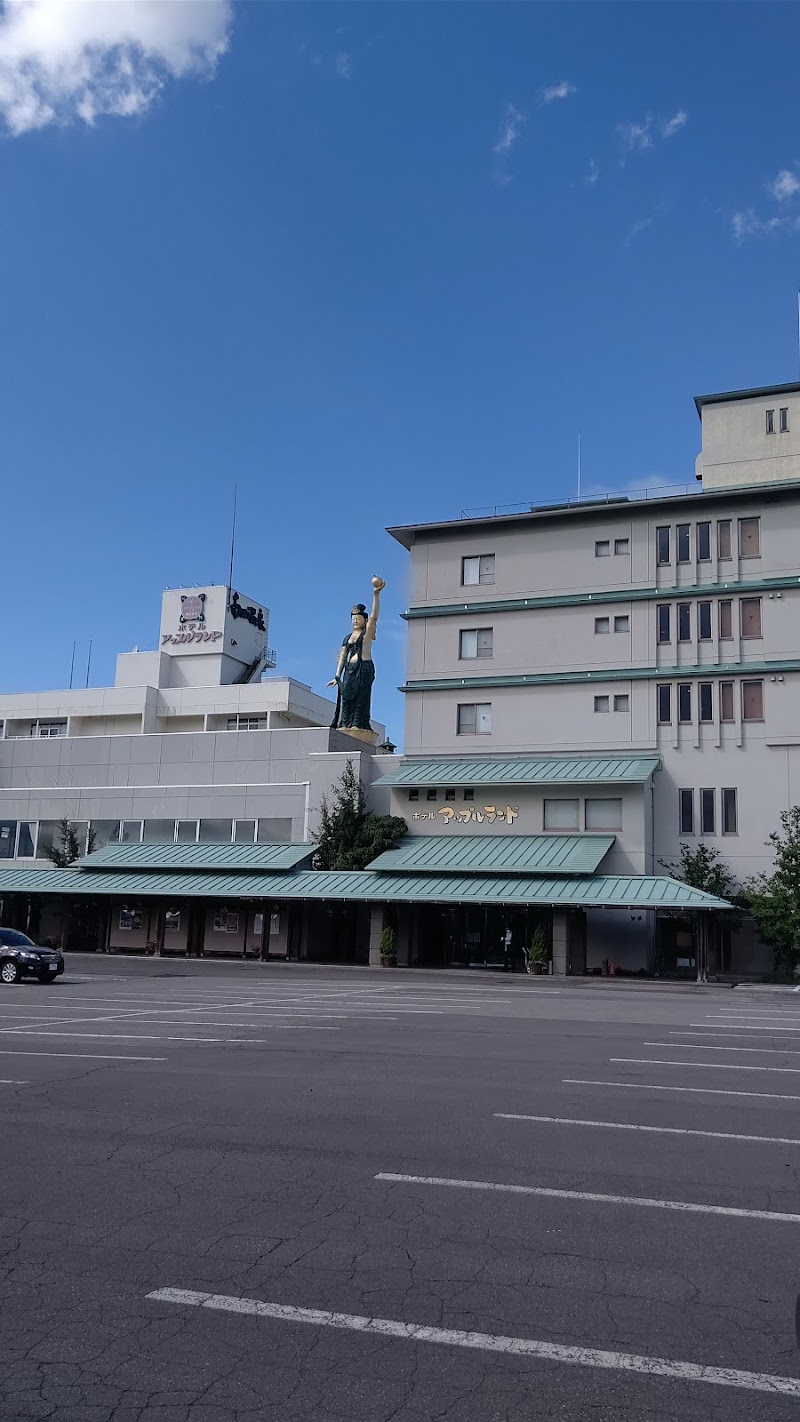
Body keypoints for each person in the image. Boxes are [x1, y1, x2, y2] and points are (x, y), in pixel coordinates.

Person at [328, 576, 385, 738]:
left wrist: (376, 595)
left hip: (363, 669)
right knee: (346, 700)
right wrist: (337, 676)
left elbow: (374, 617)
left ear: (364, 620)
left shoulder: (366, 635)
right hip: (348, 672)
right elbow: (343, 656)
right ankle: (345, 723)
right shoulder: (347, 637)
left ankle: (357, 723)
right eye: (353, 619)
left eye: (358, 619)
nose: (355, 621)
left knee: (361, 699)